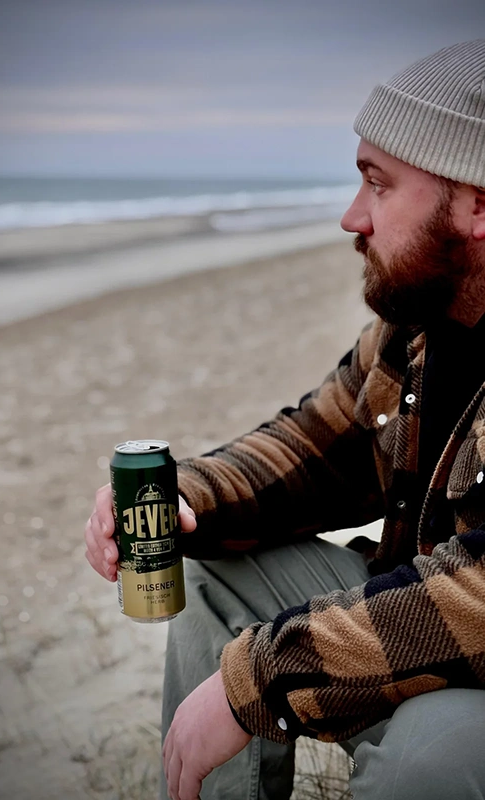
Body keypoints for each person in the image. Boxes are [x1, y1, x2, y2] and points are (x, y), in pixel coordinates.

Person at [85, 40, 485, 800]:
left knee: (435, 754)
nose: (350, 217)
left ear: (478, 205)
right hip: (419, 640)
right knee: (207, 567)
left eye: (379, 184)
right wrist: (185, 495)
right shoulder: (421, 329)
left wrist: (260, 676)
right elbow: (316, 445)